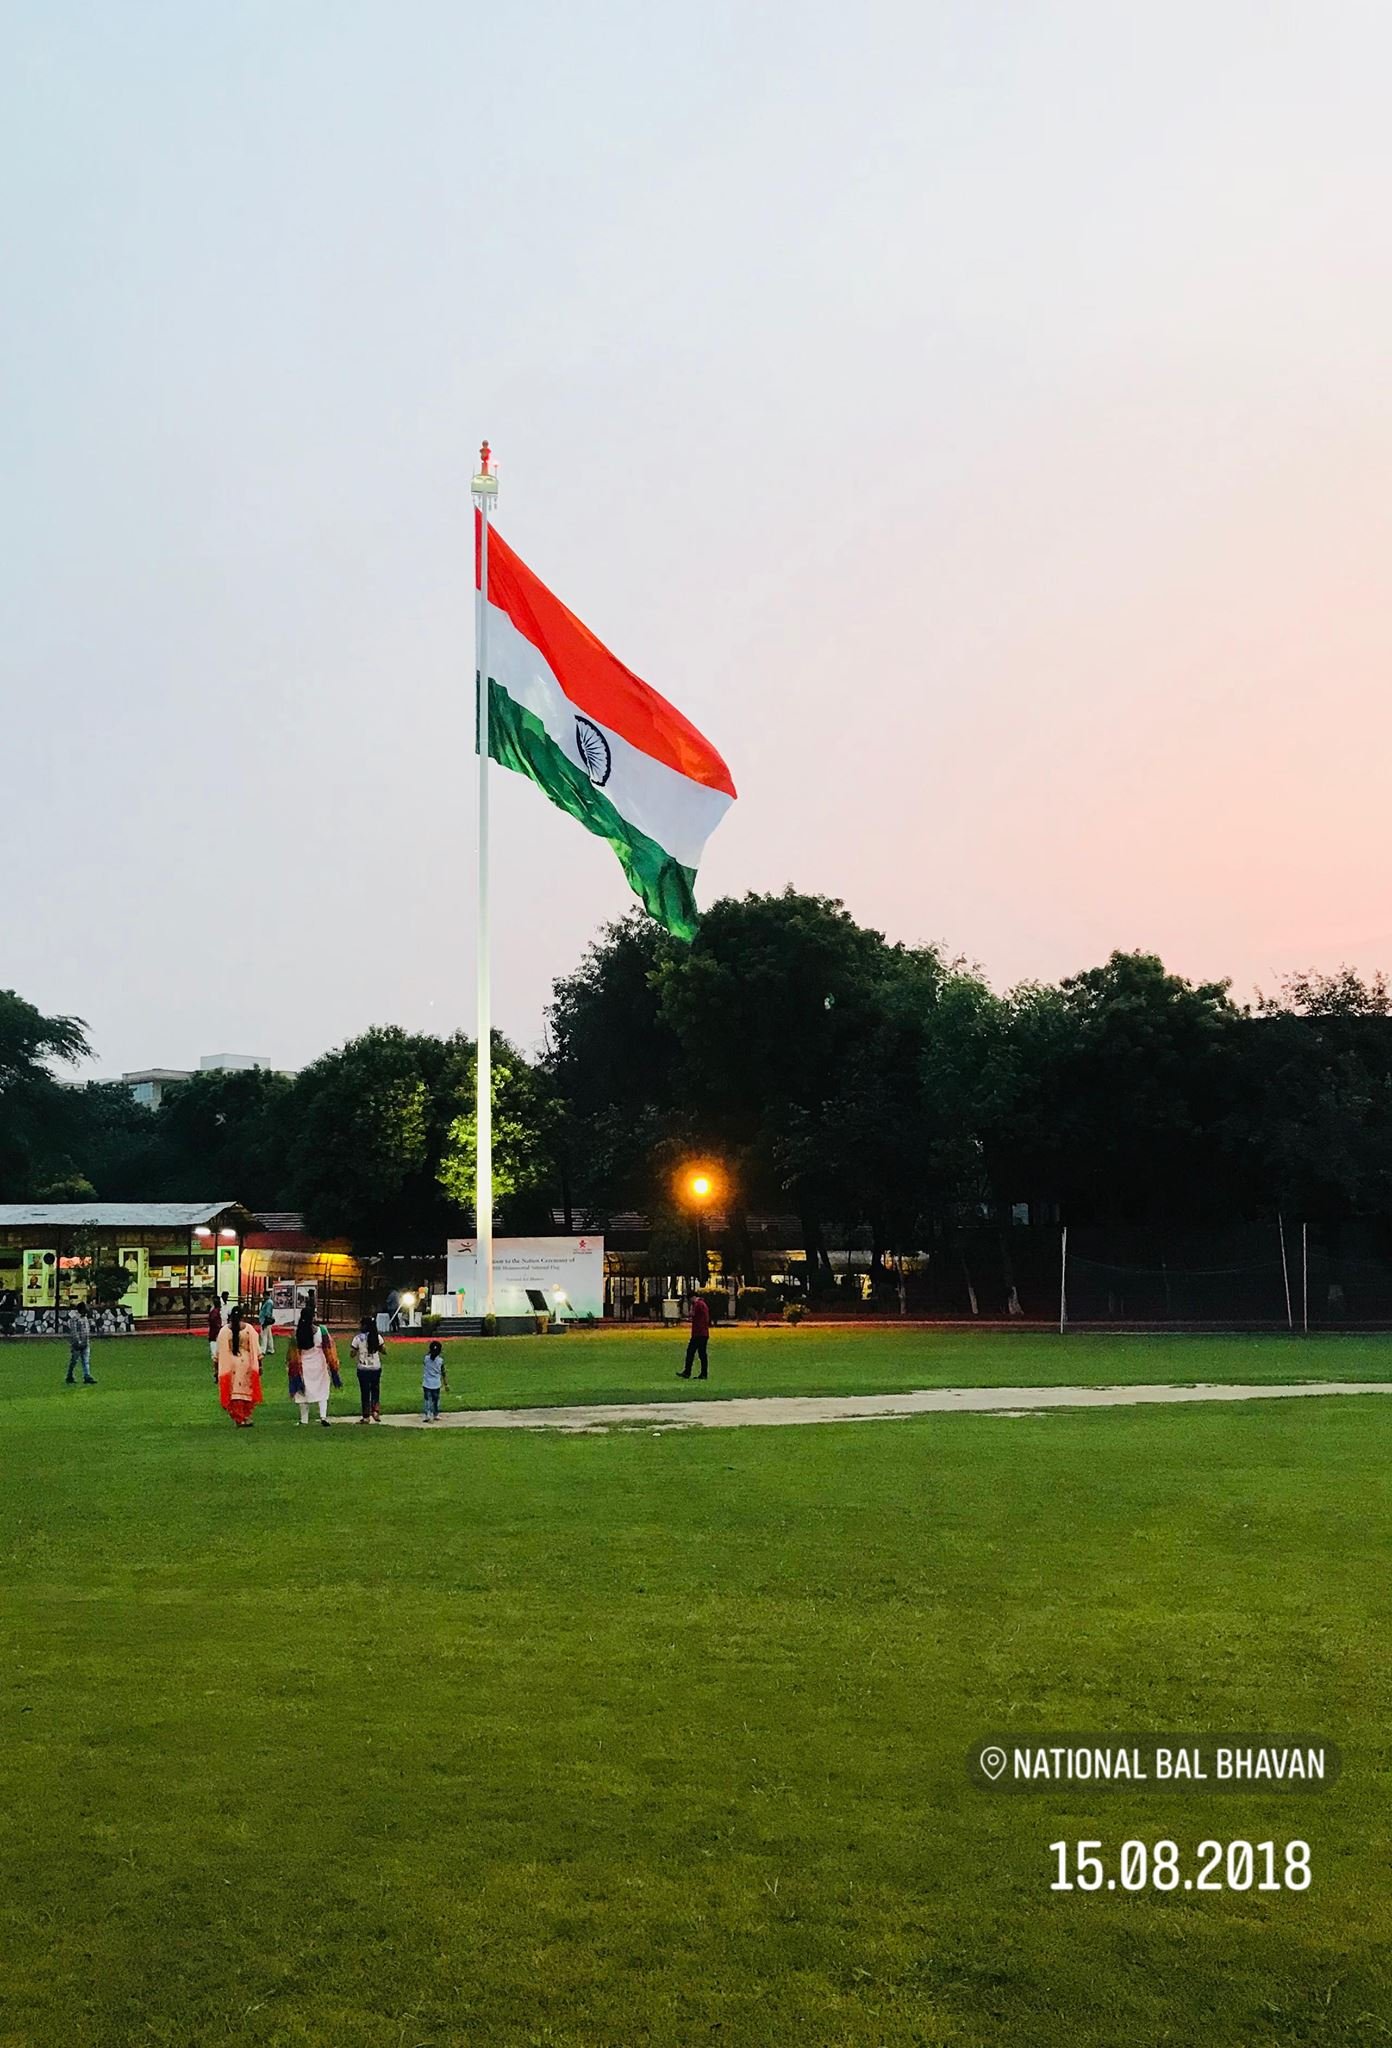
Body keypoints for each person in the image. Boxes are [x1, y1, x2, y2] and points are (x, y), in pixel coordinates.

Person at [216, 1304, 263, 1427]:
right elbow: (256, 1349)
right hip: (246, 1363)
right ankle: (246, 1416)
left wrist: (216, 1369)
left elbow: (219, 1352)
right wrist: (259, 1365)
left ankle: (239, 1418)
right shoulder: (249, 1329)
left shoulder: (224, 1331)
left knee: (234, 1391)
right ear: (243, 1316)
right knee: (246, 1389)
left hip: (230, 1364)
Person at [290, 1304, 334, 1426]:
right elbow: (328, 1348)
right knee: (322, 1389)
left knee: (303, 1391)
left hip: (303, 1364)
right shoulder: (322, 1330)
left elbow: (293, 1352)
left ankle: (304, 1419)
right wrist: (332, 1364)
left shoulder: (296, 1333)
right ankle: (323, 1417)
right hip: (319, 1364)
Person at [350, 1316, 384, 1423]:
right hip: (376, 1367)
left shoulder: (358, 1338)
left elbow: (352, 1353)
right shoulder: (377, 1337)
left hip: (363, 1368)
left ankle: (366, 1416)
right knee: (375, 1390)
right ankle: (375, 1412)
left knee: (365, 1392)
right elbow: (383, 1350)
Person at [678, 1293, 711, 1380]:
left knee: (690, 1352)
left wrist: (688, 1312)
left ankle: (687, 1372)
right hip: (703, 1333)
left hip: (698, 1333)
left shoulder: (697, 1304)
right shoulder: (703, 1304)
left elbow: (692, 1314)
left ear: (693, 1297)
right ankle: (703, 1373)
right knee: (702, 1354)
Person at [65, 1306, 95, 1385]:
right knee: (74, 1361)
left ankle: (87, 1376)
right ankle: (69, 1375)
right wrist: (78, 1341)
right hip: (77, 1344)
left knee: (86, 1361)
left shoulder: (85, 1318)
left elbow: (86, 1330)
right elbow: (74, 1331)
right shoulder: (74, 1319)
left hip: (85, 1342)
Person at [421, 1340, 448, 1421]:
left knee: (427, 1399)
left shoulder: (426, 1358)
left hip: (426, 1383)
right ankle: (435, 1414)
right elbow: (443, 1372)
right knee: (435, 1399)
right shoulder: (440, 1361)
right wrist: (446, 1384)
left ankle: (427, 1414)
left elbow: (426, 1360)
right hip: (436, 1383)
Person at [207, 1296, 223, 1376]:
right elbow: (214, 1322)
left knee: (215, 1352)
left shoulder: (214, 1311)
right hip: (215, 1334)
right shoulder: (215, 1312)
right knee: (216, 1352)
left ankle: (217, 1369)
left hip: (215, 1334)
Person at [259, 1290, 276, 1357]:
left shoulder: (269, 1302)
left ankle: (263, 1350)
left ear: (267, 1295)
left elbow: (268, 1313)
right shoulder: (267, 1302)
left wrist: (265, 1322)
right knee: (269, 1336)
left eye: (264, 1296)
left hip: (265, 1321)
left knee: (264, 1335)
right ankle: (271, 1349)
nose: (263, 1297)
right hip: (265, 1320)